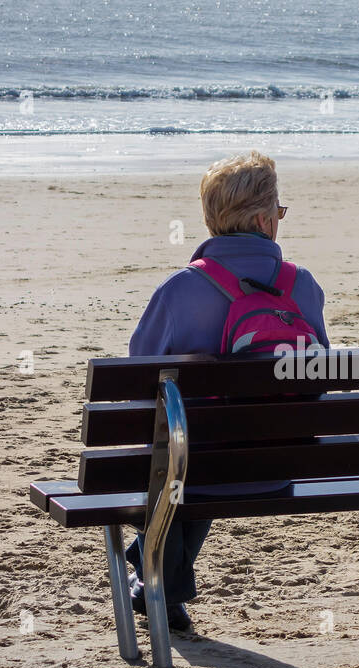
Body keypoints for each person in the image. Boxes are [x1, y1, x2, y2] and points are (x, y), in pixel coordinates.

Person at [124, 150, 330, 631]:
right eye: (279, 211)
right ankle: (162, 582)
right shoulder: (303, 287)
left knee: (182, 444)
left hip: (196, 473)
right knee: (221, 433)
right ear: (262, 219)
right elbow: (319, 376)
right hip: (282, 465)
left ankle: (158, 577)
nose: (279, 220)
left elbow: (136, 387)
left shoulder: (179, 291)